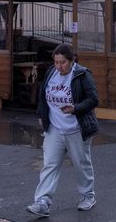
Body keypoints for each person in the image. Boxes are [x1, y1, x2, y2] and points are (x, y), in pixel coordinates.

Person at [26, 43, 101, 217]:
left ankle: (88, 196)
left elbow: (93, 99)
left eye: (63, 62)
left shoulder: (82, 75)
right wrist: (41, 114)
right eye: (56, 62)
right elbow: (43, 95)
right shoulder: (52, 73)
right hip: (54, 129)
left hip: (76, 129)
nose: (59, 66)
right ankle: (42, 202)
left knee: (81, 164)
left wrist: (75, 108)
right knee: (50, 164)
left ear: (71, 60)